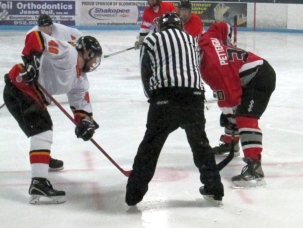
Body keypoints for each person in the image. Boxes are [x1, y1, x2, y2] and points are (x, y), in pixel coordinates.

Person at [126, 13, 224, 205]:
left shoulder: (152, 39)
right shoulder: (191, 40)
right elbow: (194, 67)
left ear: (161, 27)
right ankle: (215, 189)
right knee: (201, 145)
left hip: (165, 97)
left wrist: (153, 99)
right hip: (194, 97)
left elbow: (146, 72)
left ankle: (133, 194)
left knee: (150, 146)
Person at [3, 32, 103, 204]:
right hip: (20, 85)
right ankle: (39, 182)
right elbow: (36, 37)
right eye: (94, 58)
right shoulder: (68, 53)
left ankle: (42, 158)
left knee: (40, 129)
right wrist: (32, 62)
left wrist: (85, 122)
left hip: (27, 92)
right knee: (42, 129)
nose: (95, 63)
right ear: (86, 53)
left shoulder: (80, 80)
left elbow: (80, 106)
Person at [198, 22, 276, 188]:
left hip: (259, 77)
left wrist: (229, 113)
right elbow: (221, 26)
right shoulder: (208, 41)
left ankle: (255, 169)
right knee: (232, 112)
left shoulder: (210, 62)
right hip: (251, 75)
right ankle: (230, 144)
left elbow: (230, 93)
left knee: (243, 117)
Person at [25, 14, 83, 171]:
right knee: (42, 124)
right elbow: (28, 56)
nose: (46, 30)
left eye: (48, 27)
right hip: (43, 78)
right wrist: (32, 71)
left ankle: (43, 158)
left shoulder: (63, 31)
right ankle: (43, 159)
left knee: (42, 125)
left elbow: (79, 37)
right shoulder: (32, 34)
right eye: (42, 27)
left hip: (60, 71)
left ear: (52, 25)